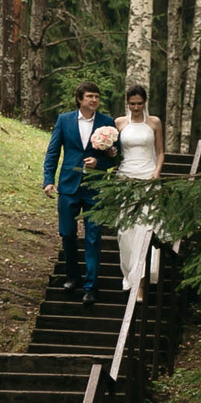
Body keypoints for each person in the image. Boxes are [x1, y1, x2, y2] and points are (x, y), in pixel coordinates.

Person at [42, 84, 117, 303]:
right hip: (68, 186)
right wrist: (48, 180)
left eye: (97, 96)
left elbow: (115, 156)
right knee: (67, 233)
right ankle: (72, 276)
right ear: (79, 99)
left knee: (93, 237)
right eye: (89, 96)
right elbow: (53, 152)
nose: (94, 100)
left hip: (94, 187)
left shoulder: (107, 123)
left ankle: (91, 286)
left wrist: (99, 162)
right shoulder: (64, 120)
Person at [112, 84, 165, 291]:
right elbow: (115, 151)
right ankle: (130, 276)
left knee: (145, 228)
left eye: (139, 104)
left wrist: (157, 172)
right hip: (126, 178)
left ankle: (142, 281)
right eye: (132, 104)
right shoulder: (119, 123)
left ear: (145, 103)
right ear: (127, 103)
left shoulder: (154, 122)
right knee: (126, 231)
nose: (136, 107)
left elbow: (160, 151)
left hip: (148, 177)